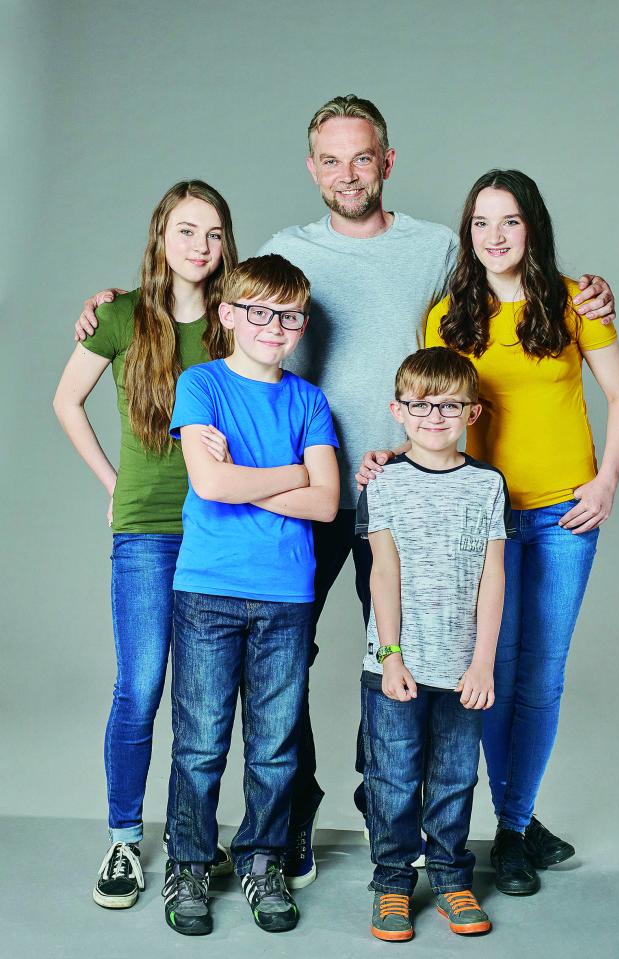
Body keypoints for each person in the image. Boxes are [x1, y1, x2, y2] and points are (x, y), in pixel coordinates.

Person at [72, 96, 617, 882]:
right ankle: (291, 813)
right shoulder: (289, 247)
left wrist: (582, 288)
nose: (347, 173)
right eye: (331, 160)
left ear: (387, 162)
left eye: (362, 158)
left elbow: (504, 274)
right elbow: (214, 291)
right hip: (307, 494)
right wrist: (111, 303)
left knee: (407, 658)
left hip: (405, 493)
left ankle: (392, 811)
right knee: (283, 663)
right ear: (312, 168)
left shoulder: (434, 246)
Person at [359, 169, 619, 896]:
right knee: (484, 672)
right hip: (474, 517)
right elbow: (430, 404)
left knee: (540, 677)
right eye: (480, 223)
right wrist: (396, 454)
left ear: (532, 227)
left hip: (561, 514)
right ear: (467, 233)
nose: (494, 236)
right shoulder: (448, 313)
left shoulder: (576, 301)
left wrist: (604, 480)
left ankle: (513, 827)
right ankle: (476, 819)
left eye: (509, 221)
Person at [52, 181, 238, 908]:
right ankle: (125, 839)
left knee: (206, 699)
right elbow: (66, 400)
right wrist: (111, 481)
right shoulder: (122, 315)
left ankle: (193, 838)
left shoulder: (234, 322)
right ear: (161, 235)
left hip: (221, 529)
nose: (200, 246)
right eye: (187, 230)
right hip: (145, 530)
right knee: (139, 687)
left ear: (227, 244)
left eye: (214, 233)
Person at [162, 254, 339, 936]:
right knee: (201, 742)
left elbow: (325, 502)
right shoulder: (200, 385)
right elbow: (211, 486)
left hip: (285, 595)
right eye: (259, 311)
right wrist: (292, 470)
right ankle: (189, 861)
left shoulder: (308, 400)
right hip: (207, 589)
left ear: (300, 323)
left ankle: (261, 857)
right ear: (229, 314)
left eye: (288, 315)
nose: (274, 326)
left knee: (275, 744)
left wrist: (255, 471)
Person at [358, 347, 510, 942]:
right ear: (398, 410)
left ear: (472, 414)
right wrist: (391, 655)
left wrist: (483, 662)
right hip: (396, 666)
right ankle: (393, 883)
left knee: (454, 778)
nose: (434, 416)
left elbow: (494, 577)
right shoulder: (385, 481)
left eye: (450, 405)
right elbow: (382, 574)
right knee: (392, 778)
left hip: (463, 668)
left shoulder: (487, 485)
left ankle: (450, 877)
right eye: (420, 405)